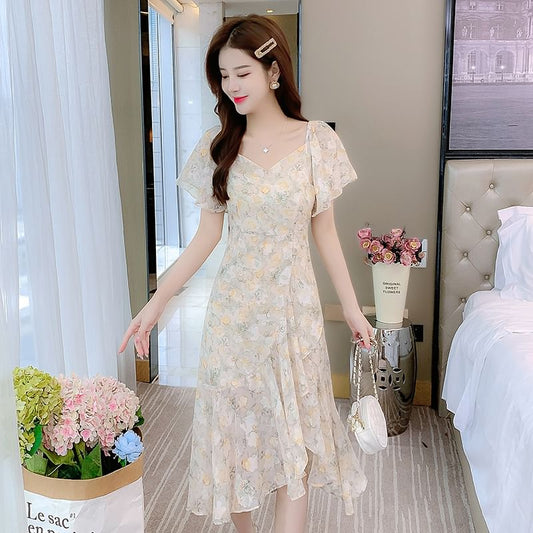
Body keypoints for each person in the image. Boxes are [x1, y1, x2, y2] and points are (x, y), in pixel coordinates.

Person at [120, 14, 372, 533]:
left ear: (274, 72)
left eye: (242, 73)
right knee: (235, 443)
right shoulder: (218, 146)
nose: (231, 86)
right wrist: (155, 303)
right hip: (235, 319)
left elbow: (325, 234)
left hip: (294, 317)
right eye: (223, 76)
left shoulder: (316, 142)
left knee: (294, 447)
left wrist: (352, 310)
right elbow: (204, 239)